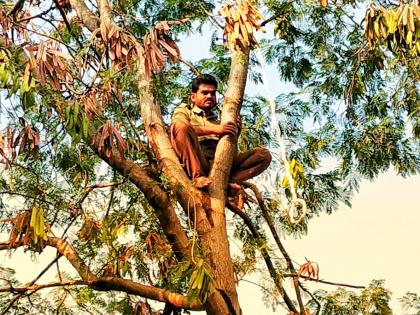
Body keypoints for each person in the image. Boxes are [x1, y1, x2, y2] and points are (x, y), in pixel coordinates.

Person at [170, 74, 271, 208]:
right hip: (199, 159)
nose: (209, 96)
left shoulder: (221, 120)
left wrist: (234, 132)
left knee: (263, 155)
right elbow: (179, 127)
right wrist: (217, 129)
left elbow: (230, 151)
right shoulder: (185, 110)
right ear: (193, 97)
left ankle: (230, 182)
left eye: (212, 93)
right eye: (204, 93)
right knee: (180, 127)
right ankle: (197, 177)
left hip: (220, 161)